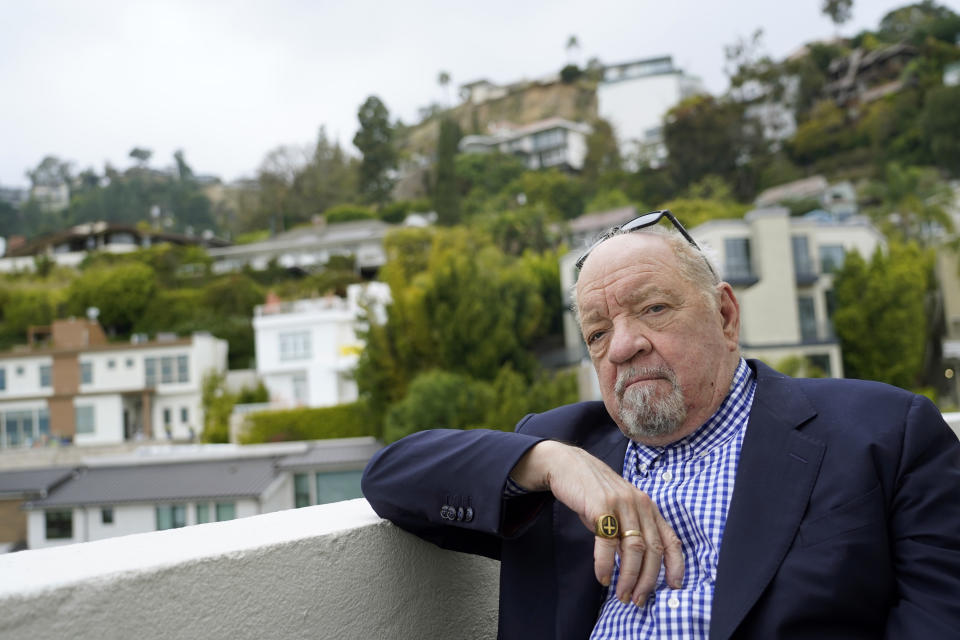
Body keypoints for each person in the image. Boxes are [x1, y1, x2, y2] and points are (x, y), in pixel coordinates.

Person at [362, 210, 960, 639]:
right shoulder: (561, 451)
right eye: (597, 333)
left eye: (653, 308)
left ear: (725, 315)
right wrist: (554, 462)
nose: (622, 346)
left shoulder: (883, 431)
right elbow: (390, 477)